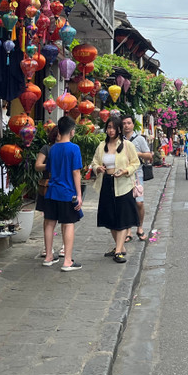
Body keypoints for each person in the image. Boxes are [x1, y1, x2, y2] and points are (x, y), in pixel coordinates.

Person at [33, 116, 83, 270]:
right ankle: (67, 261)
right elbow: (76, 172)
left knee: (49, 223)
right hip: (67, 192)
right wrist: (79, 194)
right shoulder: (74, 148)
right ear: (72, 130)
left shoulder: (52, 149)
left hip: (51, 191)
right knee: (68, 224)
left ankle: (48, 256)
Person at [91, 115, 141, 263]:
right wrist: (98, 168)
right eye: (109, 127)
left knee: (122, 218)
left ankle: (118, 251)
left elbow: (135, 163)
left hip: (123, 185)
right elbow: (94, 162)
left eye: (114, 127)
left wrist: (125, 171)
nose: (111, 130)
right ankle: (120, 247)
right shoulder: (101, 146)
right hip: (106, 183)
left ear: (119, 129)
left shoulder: (127, 145)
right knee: (110, 218)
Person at [122, 114, 152, 242]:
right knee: (127, 203)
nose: (126, 126)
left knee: (139, 202)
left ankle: (139, 226)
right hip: (123, 175)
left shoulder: (139, 139)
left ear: (133, 125)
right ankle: (128, 230)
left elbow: (149, 156)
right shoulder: (119, 139)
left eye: (129, 123)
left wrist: (137, 153)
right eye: (124, 123)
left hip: (137, 175)